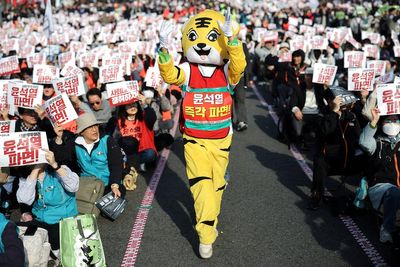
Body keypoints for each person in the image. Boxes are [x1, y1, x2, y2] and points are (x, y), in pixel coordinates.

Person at [157, 9, 246, 258]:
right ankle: (205, 234)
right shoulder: (188, 69)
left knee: (217, 185)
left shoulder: (226, 70)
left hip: (221, 139)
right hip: (194, 138)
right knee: (201, 185)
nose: (203, 45)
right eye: (195, 37)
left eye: (210, 38)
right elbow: (170, 75)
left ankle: (210, 222)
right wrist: (164, 49)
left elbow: (239, 66)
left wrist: (233, 41)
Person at [16, 149, 79, 259]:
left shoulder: (60, 170)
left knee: (56, 240)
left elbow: (74, 186)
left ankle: (60, 256)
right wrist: (35, 170)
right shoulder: (27, 176)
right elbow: (24, 199)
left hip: (62, 218)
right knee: (17, 231)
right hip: (39, 217)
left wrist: (54, 165)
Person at [50, 112, 126, 198]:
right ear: (81, 132)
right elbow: (60, 157)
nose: (94, 130)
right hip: (86, 185)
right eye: (89, 127)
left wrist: (114, 185)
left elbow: (116, 164)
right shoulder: (75, 143)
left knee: (115, 198)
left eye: (95, 126)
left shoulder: (107, 140)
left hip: (108, 184)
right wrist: (59, 138)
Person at [359, 109, 400, 245]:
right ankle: (387, 229)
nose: (393, 123)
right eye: (389, 120)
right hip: (382, 185)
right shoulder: (376, 143)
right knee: (393, 193)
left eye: (396, 120)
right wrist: (373, 122)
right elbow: (364, 142)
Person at [115, 100, 157, 172]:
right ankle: (133, 164)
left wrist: (145, 104)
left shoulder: (144, 117)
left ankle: (133, 164)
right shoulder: (120, 121)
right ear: (124, 108)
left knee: (150, 154)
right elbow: (117, 139)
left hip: (143, 151)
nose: (132, 107)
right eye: (129, 105)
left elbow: (152, 117)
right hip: (129, 153)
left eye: (134, 104)